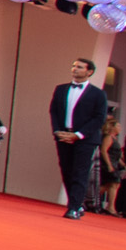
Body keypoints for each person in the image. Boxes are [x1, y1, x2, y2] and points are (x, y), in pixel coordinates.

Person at [49, 58, 110, 219]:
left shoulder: (98, 94)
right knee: (66, 170)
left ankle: (74, 207)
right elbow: (54, 111)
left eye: (80, 67)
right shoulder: (61, 89)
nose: (75, 69)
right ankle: (77, 203)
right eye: (74, 66)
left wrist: (78, 135)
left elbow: (99, 118)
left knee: (80, 172)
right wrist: (57, 131)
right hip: (63, 136)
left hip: (85, 139)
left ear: (89, 72)